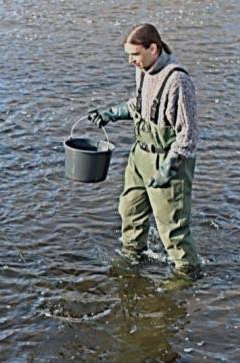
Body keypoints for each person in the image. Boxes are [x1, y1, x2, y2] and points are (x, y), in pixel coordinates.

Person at [88, 23, 201, 276]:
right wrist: (112, 113)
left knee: (172, 228)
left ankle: (187, 273)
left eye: (135, 54)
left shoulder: (178, 80)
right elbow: (140, 105)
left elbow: (189, 134)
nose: (131, 61)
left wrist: (169, 168)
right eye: (129, 55)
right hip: (140, 154)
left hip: (169, 159)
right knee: (129, 211)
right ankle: (132, 257)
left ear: (154, 48)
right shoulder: (142, 71)